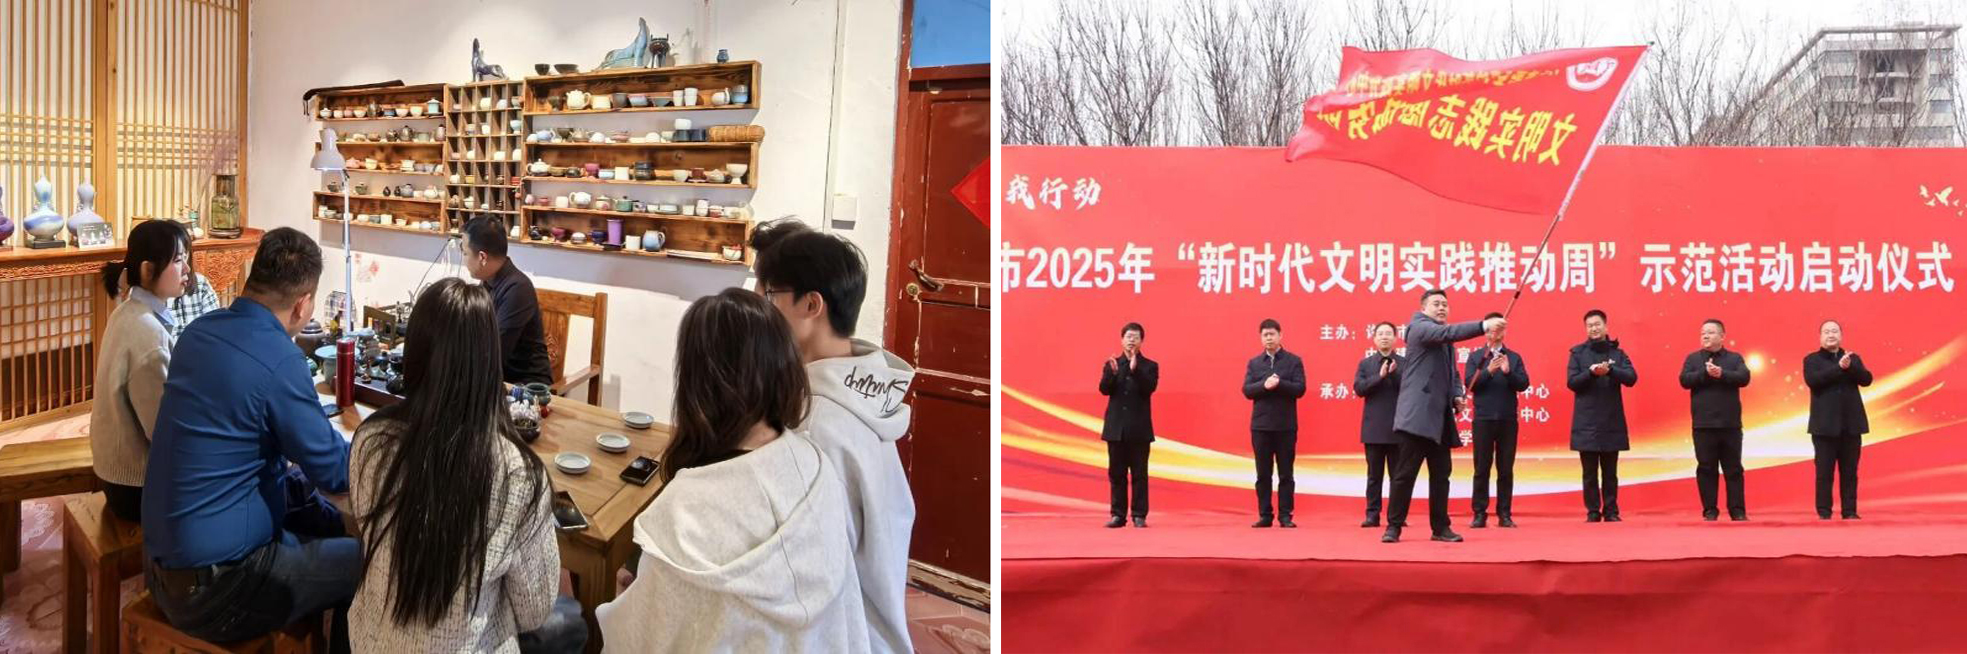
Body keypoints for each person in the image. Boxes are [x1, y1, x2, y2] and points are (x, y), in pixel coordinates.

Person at [597, 289, 868, 652]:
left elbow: (635, 640)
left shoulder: (685, 514)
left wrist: (624, 594)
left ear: (698, 382)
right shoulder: (816, 465)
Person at [142, 227, 358, 649]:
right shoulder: (281, 359)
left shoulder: (198, 333)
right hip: (219, 590)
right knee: (370, 562)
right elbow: (336, 472)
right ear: (303, 305)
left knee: (316, 517)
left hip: (159, 567)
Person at [348, 278, 586, 652]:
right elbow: (534, 611)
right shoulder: (517, 474)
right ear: (489, 361)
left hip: (371, 642)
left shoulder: (370, 440)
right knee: (570, 619)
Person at [748, 219, 915, 653]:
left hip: (841, 632)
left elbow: (798, 573)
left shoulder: (816, 424)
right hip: (878, 617)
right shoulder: (866, 388)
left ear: (811, 305)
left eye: (768, 295)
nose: (759, 307)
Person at [89, 220, 191, 522]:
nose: (187, 269)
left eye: (186, 258)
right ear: (148, 271)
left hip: (114, 469)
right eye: (177, 260)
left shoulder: (126, 310)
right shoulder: (148, 332)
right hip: (136, 485)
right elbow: (160, 429)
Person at [1385, 289, 1502, 543]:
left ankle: (1440, 528)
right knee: (1405, 475)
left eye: (1445, 305)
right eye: (1436, 304)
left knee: (1441, 476)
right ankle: (1393, 527)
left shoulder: (1444, 341)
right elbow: (1447, 333)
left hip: (1439, 420)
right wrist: (1484, 325)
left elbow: (1453, 374)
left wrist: (1457, 395)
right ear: (1423, 308)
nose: (1441, 308)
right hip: (1416, 418)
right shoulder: (1418, 328)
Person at [461, 215, 552, 387]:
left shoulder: (517, 289)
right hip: (496, 377)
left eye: (465, 252)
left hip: (526, 386)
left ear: (482, 257)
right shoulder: (488, 281)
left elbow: (495, 350)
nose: (464, 259)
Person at [1566, 309, 1638, 522]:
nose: (1594, 328)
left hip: (1611, 420)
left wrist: (1610, 371)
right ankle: (1593, 511)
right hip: (1586, 421)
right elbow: (1572, 382)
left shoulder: (1618, 353)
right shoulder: (1577, 353)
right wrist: (1590, 372)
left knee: (1610, 471)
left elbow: (1632, 378)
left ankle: (1611, 510)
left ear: (1606, 327)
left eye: (1597, 324)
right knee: (1589, 473)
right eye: (1590, 325)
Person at [1678, 319, 1752, 521]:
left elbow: (1744, 377)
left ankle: (1737, 510)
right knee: (1706, 468)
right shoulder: (1693, 359)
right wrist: (1705, 373)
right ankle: (1710, 510)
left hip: (1730, 425)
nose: (1705, 336)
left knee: (1734, 469)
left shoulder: (1734, 358)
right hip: (1703, 425)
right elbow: (1684, 380)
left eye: (1710, 332)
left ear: (1722, 336)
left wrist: (1722, 374)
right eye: (1703, 333)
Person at [1464, 311, 1529, 529]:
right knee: (1481, 468)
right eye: (1492, 329)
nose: (1496, 333)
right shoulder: (1476, 357)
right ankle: (1479, 513)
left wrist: (1508, 372)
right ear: (1486, 331)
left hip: (1507, 420)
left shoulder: (1514, 357)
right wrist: (1489, 371)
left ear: (1504, 331)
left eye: (1500, 329)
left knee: (1505, 469)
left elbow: (1523, 384)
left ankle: (1504, 514)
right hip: (1483, 419)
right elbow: (1469, 384)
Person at [1804, 319, 1872, 520]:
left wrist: (1850, 367)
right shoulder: (1812, 360)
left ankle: (1850, 511)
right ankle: (1824, 512)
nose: (1831, 335)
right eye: (1826, 331)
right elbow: (1813, 381)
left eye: (1835, 331)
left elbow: (1867, 380)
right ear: (1820, 337)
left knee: (1850, 472)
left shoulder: (1852, 358)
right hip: (1824, 427)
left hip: (1851, 426)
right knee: (1824, 472)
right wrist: (1839, 368)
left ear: (1841, 336)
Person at [1242, 318, 1305, 528]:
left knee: (1286, 473)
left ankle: (1285, 515)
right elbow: (1247, 390)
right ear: (1261, 338)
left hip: (1286, 426)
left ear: (1280, 335)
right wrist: (1264, 385)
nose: (1269, 338)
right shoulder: (1254, 363)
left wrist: (1279, 383)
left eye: (1272, 334)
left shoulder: (1293, 361)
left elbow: (1300, 389)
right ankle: (1265, 515)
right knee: (1263, 474)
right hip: (1261, 427)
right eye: (1265, 335)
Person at [1098, 322, 1157, 528]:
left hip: (1139, 430)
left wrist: (1135, 369)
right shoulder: (1112, 364)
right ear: (1122, 339)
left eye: (1136, 337)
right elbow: (1104, 390)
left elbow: (1149, 388)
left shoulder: (1149, 366)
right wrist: (1112, 374)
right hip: (1116, 429)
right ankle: (1118, 515)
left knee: (1139, 474)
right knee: (1117, 474)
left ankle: (1139, 515)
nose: (1132, 340)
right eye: (1128, 336)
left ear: (1142, 341)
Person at [1352, 322, 1405, 528]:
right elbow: (1359, 389)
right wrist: (1380, 376)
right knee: (1374, 476)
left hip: (1398, 428)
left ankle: (1396, 516)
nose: (1384, 337)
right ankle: (1372, 515)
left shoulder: (1405, 363)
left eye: (1388, 333)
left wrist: (1394, 374)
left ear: (1395, 338)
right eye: (1380, 334)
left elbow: (1410, 388)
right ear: (1374, 338)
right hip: (1373, 429)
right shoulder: (1366, 364)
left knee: (1397, 477)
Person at [170, 270, 224, 338]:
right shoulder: (159, 292)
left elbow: (214, 325)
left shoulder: (200, 283)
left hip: (201, 342)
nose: (186, 267)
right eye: (177, 262)